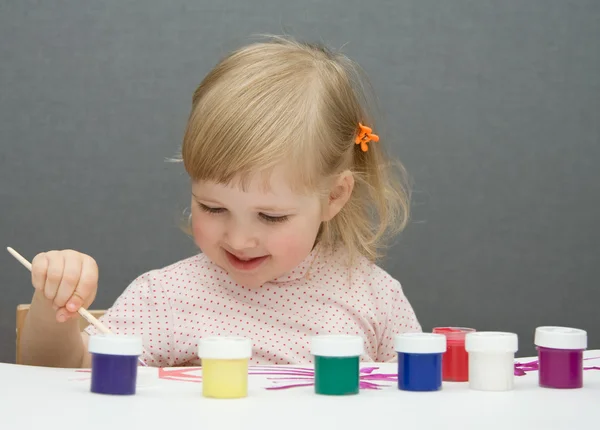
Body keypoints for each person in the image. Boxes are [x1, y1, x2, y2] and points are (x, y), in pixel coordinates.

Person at [20, 36, 421, 368]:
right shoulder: (166, 298)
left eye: (271, 216)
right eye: (213, 208)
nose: (240, 238)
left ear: (334, 196)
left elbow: (420, 403)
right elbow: (60, 379)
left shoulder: (373, 297)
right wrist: (52, 305)